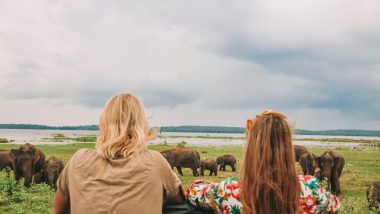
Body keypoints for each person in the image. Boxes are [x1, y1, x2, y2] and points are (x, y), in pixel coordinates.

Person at [186, 110, 340, 214]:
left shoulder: (229, 191)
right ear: (288, 150)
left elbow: (193, 190)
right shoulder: (311, 189)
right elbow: (334, 204)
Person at [53, 93, 184, 214]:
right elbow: (179, 199)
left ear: (103, 122)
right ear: (141, 125)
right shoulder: (155, 161)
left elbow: (59, 210)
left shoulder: (79, 159)